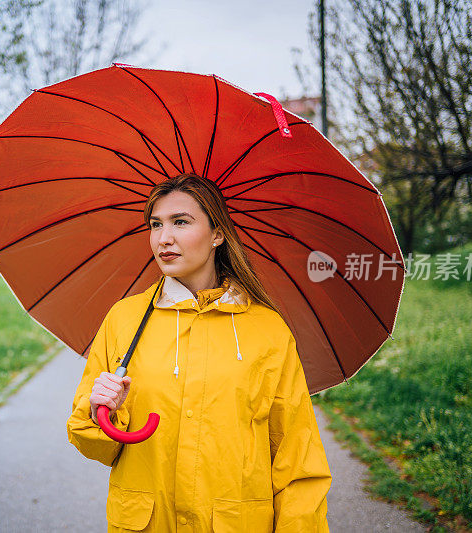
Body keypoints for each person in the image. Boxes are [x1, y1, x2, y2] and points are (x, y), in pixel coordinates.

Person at [66, 173, 332, 532]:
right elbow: (95, 444)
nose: (164, 238)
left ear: (217, 234)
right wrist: (101, 412)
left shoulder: (267, 330)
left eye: (181, 222)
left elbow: (297, 457)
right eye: (155, 224)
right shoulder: (125, 320)